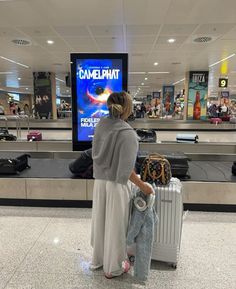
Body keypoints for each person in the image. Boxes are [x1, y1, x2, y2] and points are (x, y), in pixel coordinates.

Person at [91, 91, 154, 279]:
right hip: (117, 186)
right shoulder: (128, 134)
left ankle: (99, 260)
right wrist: (144, 186)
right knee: (115, 226)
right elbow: (127, 172)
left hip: (100, 183)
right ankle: (114, 267)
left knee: (102, 222)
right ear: (127, 108)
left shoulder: (101, 125)